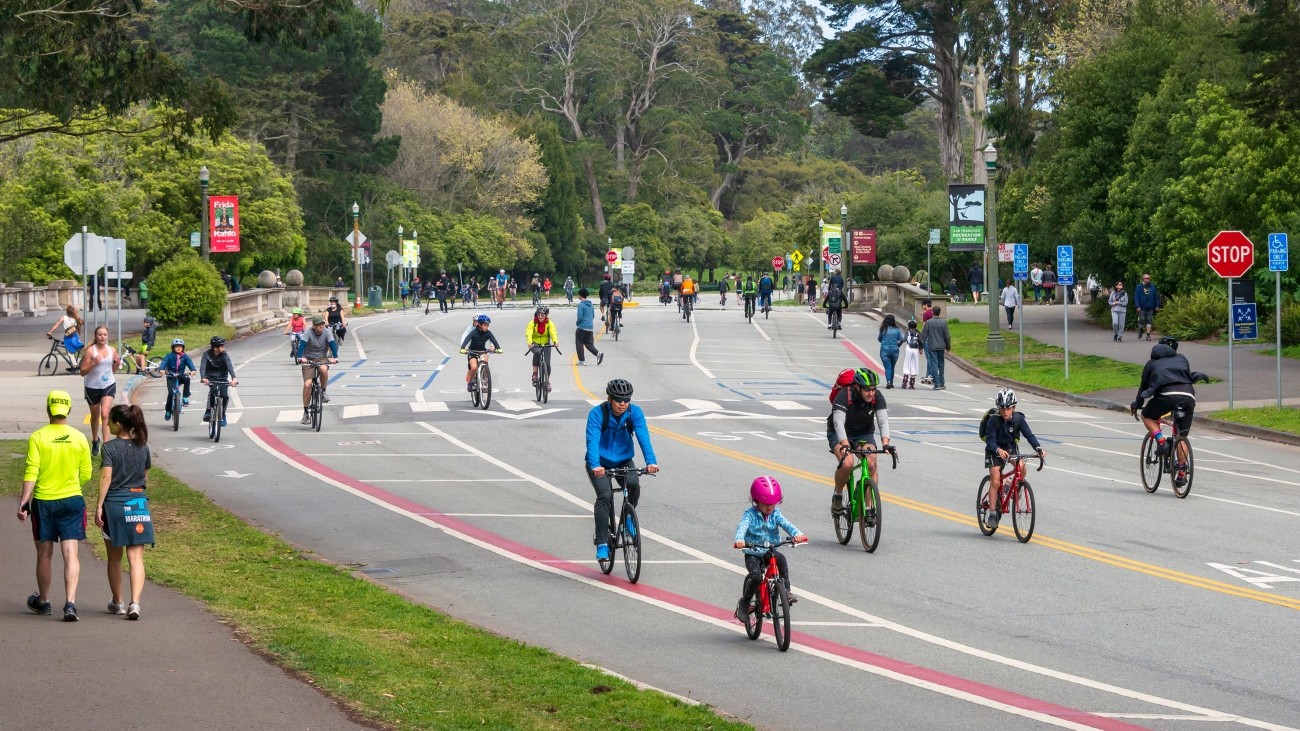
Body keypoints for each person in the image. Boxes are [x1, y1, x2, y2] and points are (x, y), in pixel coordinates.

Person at [18, 390, 92, 621]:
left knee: (45, 555)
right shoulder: (79, 437)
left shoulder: (38, 437)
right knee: (71, 554)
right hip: (72, 500)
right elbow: (87, 474)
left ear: (48, 409)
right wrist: (70, 484)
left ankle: (44, 602)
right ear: (68, 410)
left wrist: (24, 501)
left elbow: (32, 470)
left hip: (44, 502)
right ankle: (70, 604)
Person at [584, 379, 659, 561]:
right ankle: (602, 543)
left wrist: (651, 461)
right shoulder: (597, 414)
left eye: (626, 400)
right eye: (619, 400)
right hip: (600, 462)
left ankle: (627, 521)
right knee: (605, 496)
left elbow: (643, 437)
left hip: (624, 459)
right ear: (610, 399)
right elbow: (592, 441)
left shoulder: (635, 413)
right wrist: (595, 465)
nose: (623, 404)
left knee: (634, 484)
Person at [94, 404, 153, 620]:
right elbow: (144, 476)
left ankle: (117, 602)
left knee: (114, 557)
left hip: (115, 507)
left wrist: (99, 505)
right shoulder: (143, 447)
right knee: (136, 557)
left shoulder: (109, 448)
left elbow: (106, 478)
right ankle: (135, 603)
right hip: (138, 504)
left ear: (118, 425)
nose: (106, 424)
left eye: (109, 421)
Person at [1131, 337, 1208, 487]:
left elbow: (1143, 388)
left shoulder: (1151, 364)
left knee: (1146, 415)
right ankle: (1181, 472)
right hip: (1188, 396)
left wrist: (1137, 404)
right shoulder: (1182, 359)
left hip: (1166, 396)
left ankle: (1160, 441)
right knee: (1181, 435)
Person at [733, 476, 808, 620]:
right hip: (753, 552)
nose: (769, 507)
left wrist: (797, 534)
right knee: (756, 577)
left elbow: (787, 525)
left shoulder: (776, 514)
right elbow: (742, 526)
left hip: (769, 551)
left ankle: (786, 592)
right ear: (756, 501)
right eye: (765, 504)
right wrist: (740, 540)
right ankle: (745, 602)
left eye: (773, 504)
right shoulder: (750, 514)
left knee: (781, 559)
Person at [827, 368, 894, 517]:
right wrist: (844, 444)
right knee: (847, 463)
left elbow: (883, 420)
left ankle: (869, 508)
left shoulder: (877, 396)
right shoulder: (845, 395)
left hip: (863, 433)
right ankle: (838, 495)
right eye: (867, 390)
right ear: (857, 387)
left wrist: (885, 443)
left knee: (871, 463)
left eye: (873, 389)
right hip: (839, 433)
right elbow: (838, 422)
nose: (871, 393)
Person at [982, 388, 1046, 529]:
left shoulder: (1018, 419)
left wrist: (1038, 448)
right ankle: (992, 513)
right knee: (995, 480)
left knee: (1022, 468)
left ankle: (1012, 487)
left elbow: (1029, 435)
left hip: (1010, 448)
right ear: (998, 408)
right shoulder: (993, 421)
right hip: (994, 450)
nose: (1005, 411)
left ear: (1014, 407)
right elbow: (990, 441)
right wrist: (998, 450)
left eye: (1008, 408)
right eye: (1002, 408)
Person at [79, 325, 120, 456]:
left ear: (107, 336)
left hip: (108, 384)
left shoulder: (112, 349)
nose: (103, 337)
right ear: (96, 336)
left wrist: (117, 363)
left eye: (105, 335)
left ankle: (106, 446)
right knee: (95, 416)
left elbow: (112, 370)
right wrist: (93, 363)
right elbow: (82, 372)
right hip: (92, 387)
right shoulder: (91, 351)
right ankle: (95, 440)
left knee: (105, 414)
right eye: (100, 334)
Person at [296, 316, 340, 424]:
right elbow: (302, 345)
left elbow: (332, 345)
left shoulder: (327, 332)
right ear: (314, 326)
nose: (321, 326)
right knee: (307, 385)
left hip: (322, 358)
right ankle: (306, 412)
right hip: (308, 359)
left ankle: (323, 392)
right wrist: (300, 357)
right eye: (319, 324)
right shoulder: (308, 332)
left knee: (323, 369)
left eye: (322, 324)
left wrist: (335, 357)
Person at [200, 336, 238, 425]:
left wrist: (234, 378)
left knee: (225, 396)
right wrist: (203, 378)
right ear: (215, 348)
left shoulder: (224, 355)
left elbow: (229, 366)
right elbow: (202, 367)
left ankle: (223, 415)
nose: (223, 348)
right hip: (210, 377)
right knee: (213, 390)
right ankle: (208, 411)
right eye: (221, 346)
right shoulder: (206, 354)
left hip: (222, 377)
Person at [459, 314, 503, 391]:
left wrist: (498, 348)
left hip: (482, 350)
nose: (487, 327)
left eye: (487, 325)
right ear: (479, 325)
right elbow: (466, 339)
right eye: (485, 325)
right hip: (473, 351)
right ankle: (470, 382)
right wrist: (463, 348)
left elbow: (493, 340)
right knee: (474, 367)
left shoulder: (488, 333)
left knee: (485, 361)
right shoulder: (473, 332)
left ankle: (485, 379)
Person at [158, 338, 197, 421]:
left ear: (183, 348)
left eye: (180, 347)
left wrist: (193, 370)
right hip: (171, 376)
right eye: (176, 347)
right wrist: (162, 370)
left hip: (180, 376)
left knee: (187, 379)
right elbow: (163, 363)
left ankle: (185, 397)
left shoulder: (185, 357)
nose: (179, 348)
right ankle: (168, 410)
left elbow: (190, 364)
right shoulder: (169, 356)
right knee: (171, 393)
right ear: (173, 348)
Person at [526, 306, 559, 389]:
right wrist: (530, 342)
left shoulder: (549, 323)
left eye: (542, 315)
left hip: (546, 343)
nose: (540, 316)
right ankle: (535, 373)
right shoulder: (532, 323)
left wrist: (555, 341)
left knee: (547, 364)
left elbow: (553, 332)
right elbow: (529, 333)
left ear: (546, 315)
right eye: (539, 314)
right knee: (537, 352)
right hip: (535, 343)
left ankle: (547, 382)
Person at [46, 304, 84, 371]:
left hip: (68, 338)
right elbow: (81, 323)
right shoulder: (76, 319)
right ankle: (73, 364)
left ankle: (74, 365)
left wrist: (50, 332)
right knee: (72, 350)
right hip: (75, 337)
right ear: (73, 312)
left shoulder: (64, 317)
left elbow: (57, 325)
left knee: (70, 352)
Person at [922, 305, 951, 390]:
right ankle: (942, 382)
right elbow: (947, 336)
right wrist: (948, 346)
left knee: (934, 364)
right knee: (941, 364)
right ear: (939, 313)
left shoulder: (929, 322)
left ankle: (937, 384)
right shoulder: (943, 322)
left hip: (932, 345)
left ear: (932, 312)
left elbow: (924, 335)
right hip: (941, 346)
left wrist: (921, 345)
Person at [574, 289, 605, 366]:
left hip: (582, 327)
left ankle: (582, 361)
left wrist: (577, 323)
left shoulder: (581, 305)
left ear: (580, 295)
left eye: (578, 294)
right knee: (589, 344)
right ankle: (598, 353)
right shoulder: (591, 304)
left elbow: (580, 317)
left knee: (579, 344)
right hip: (590, 328)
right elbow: (593, 316)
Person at [877, 314, 903, 388]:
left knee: (887, 367)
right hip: (895, 349)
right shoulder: (897, 330)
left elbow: (879, 339)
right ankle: (891, 382)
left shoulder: (883, 329)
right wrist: (897, 344)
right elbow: (901, 339)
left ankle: (888, 381)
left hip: (884, 349)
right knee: (892, 366)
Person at [1133, 274, 1160, 341]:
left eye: (1149, 278)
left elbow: (1156, 297)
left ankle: (1148, 335)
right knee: (1142, 320)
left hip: (1150, 306)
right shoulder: (1139, 287)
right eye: (1147, 278)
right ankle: (1141, 329)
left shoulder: (1152, 287)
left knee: (1149, 320)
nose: (1148, 279)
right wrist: (1137, 306)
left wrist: (1157, 305)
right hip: (1142, 307)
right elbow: (1136, 297)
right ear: (1143, 279)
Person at [900, 319, 921, 389]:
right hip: (915, 349)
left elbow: (904, 339)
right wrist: (921, 348)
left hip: (908, 348)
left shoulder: (908, 332)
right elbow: (921, 341)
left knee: (907, 363)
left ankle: (905, 381)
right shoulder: (918, 333)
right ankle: (912, 383)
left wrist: (898, 344)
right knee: (914, 364)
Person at [919, 299, 935, 385]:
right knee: (933, 358)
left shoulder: (926, 314)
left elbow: (924, 327)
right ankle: (929, 374)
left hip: (928, 338)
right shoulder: (934, 312)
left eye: (922, 305)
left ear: (925, 305)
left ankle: (930, 375)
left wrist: (921, 337)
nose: (922, 306)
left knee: (929, 358)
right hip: (934, 338)